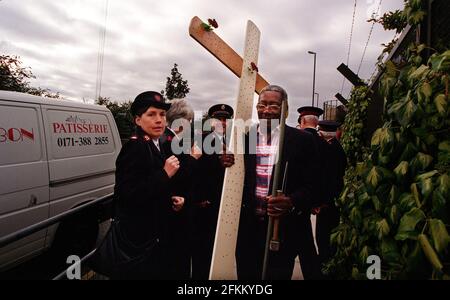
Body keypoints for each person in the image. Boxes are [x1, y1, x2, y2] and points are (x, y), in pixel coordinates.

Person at [236, 85, 321, 280]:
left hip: (281, 230)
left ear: (285, 109)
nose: (266, 110)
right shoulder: (244, 138)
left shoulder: (302, 141)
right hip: (248, 230)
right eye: (262, 105)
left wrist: (291, 201)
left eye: (273, 106)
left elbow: (315, 186)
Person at [113, 91, 186, 279]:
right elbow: (126, 195)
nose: (159, 120)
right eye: (151, 114)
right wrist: (164, 174)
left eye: (162, 115)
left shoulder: (155, 144)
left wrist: (171, 199)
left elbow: (149, 187)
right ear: (138, 120)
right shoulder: (135, 147)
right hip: (139, 240)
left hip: (155, 234)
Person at [191, 103, 235, 280]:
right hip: (206, 204)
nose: (222, 123)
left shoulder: (236, 140)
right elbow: (194, 172)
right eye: (218, 119)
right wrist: (199, 198)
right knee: (203, 251)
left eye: (226, 119)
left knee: (223, 252)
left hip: (227, 204)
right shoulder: (200, 140)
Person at [161, 98, 200, 279]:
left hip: (178, 211)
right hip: (175, 212)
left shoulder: (173, 139)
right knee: (177, 263)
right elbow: (178, 177)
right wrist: (193, 158)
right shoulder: (169, 141)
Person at [315, 120, 347, 271]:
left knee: (324, 238)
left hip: (328, 203)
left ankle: (326, 268)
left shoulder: (330, 150)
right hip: (332, 201)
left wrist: (322, 202)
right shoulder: (336, 148)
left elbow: (329, 179)